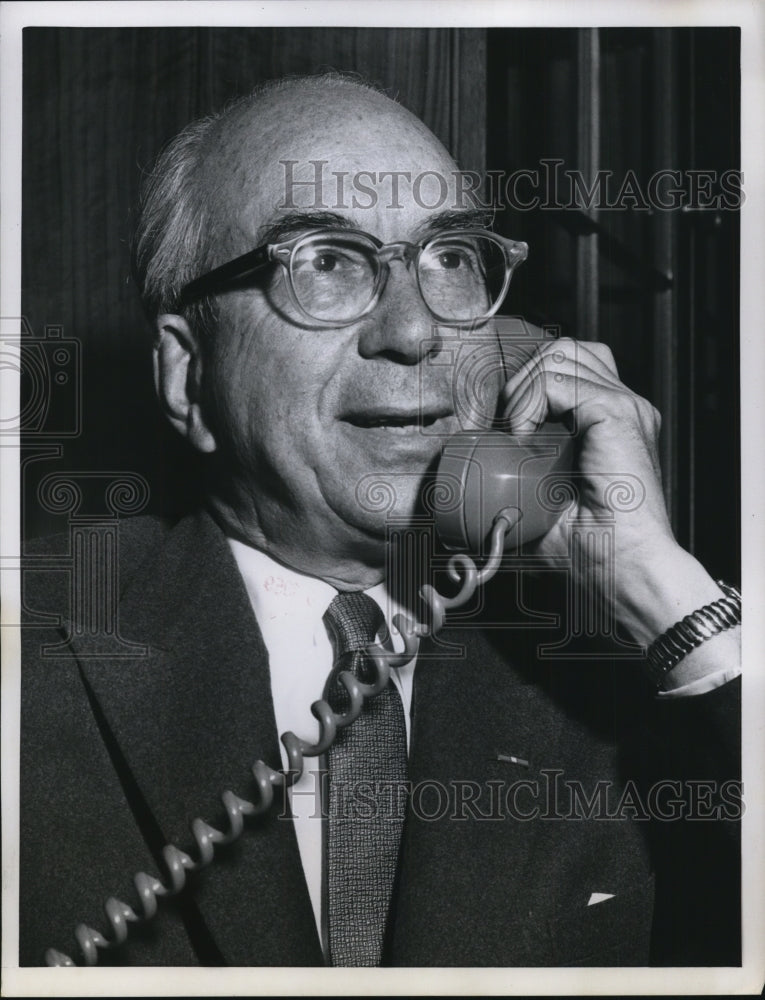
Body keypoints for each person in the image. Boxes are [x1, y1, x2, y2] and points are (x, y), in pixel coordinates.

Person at [19, 73, 741, 968]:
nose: (413, 332)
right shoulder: (34, 649)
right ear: (185, 373)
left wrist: (663, 595)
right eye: (325, 260)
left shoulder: (633, 678)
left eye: (449, 259)